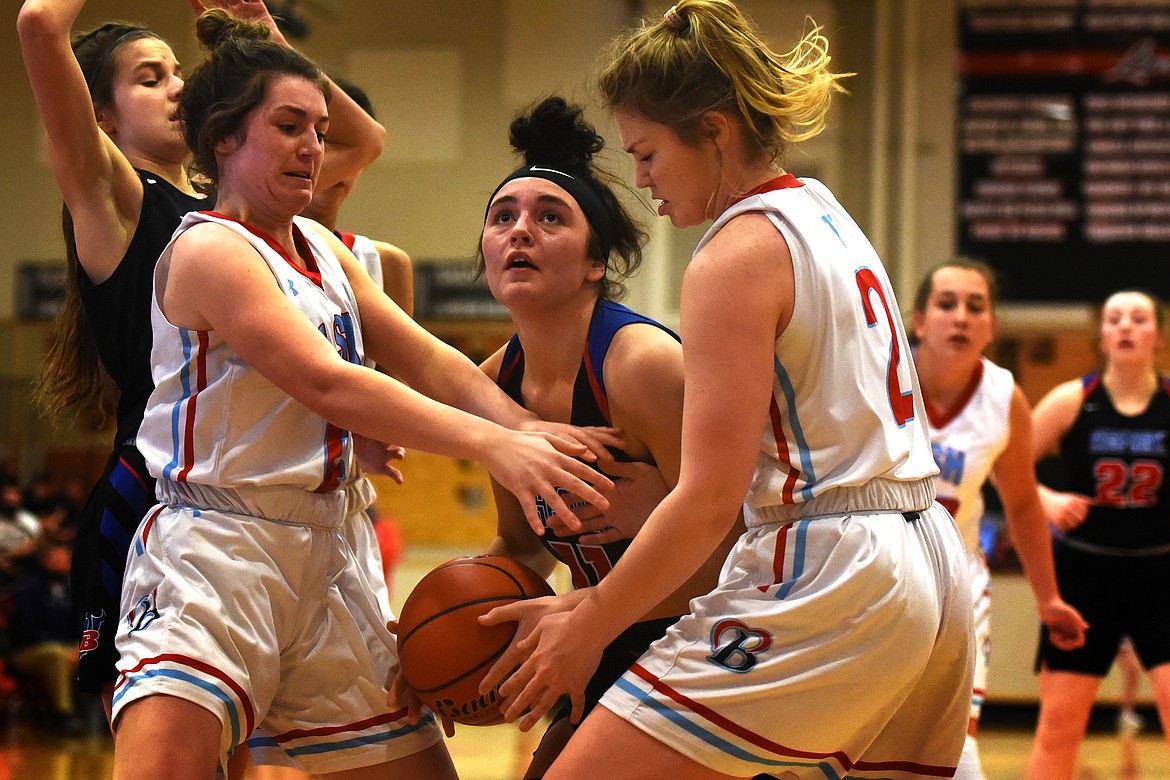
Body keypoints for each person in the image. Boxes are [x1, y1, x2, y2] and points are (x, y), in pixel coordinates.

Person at [109, 12, 614, 779]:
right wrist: (493, 444)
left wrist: (526, 430)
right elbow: (329, 380)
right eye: (287, 126)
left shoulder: (320, 249)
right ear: (222, 140)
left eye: (317, 127)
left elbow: (424, 355)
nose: (312, 146)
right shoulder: (211, 248)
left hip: (335, 554)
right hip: (217, 554)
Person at [479, 3, 975, 778]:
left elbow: (710, 500)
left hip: (832, 564)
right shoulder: (825, 212)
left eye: (646, 152)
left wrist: (591, 624)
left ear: (713, 133)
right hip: (928, 564)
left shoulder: (734, 253)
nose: (641, 178)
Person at [16, 0, 386, 722]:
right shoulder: (114, 196)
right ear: (101, 120)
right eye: (150, 78)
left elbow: (361, 140)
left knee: (238, 739)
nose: (178, 85)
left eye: (179, 70)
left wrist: (263, 37)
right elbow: (37, 23)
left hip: (256, 501)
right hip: (167, 495)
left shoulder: (230, 203)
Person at [469, 95, 739, 778]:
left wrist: (584, 611)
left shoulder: (640, 365)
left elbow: (735, 543)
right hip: (610, 631)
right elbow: (521, 545)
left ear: (597, 263)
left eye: (549, 217)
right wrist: (453, 626)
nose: (519, 231)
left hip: (713, 632)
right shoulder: (493, 383)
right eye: (503, 218)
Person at [911, 258, 1088, 780]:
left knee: (956, 744)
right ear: (919, 320)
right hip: (881, 571)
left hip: (959, 580)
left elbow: (1024, 503)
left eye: (975, 306)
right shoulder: (882, 376)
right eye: (946, 305)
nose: (961, 317)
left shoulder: (1003, 398)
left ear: (991, 325)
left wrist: (1048, 598)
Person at [1026, 289, 1170, 780]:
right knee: (1059, 727)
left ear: (1159, 335)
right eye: (1114, 319)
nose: (1126, 326)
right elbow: (1005, 467)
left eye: (1138, 318)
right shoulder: (1072, 399)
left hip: (1161, 574)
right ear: (1102, 335)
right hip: (1085, 576)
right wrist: (1046, 499)